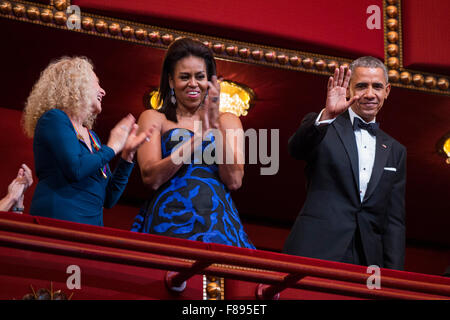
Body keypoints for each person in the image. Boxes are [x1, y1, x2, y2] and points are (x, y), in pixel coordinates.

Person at [283, 56, 406, 270]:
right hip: (316, 249)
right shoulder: (324, 125)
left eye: (377, 86)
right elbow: (296, 149)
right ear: (348, 89)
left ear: (387, 91)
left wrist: (394, 278)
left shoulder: (396, 150)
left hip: (368, 261)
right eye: (361, 86)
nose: (370, 94)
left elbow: (394, 221)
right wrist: (328, 115)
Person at [131, 38, 254, 249]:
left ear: (210, 81)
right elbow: (151, 177)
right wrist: (197, 139)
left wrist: (214, 127)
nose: (193, 84)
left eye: (200, 76)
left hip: (218, 227)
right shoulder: (153, 118)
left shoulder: (228, 120)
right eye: (184, 77)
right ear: (170, 81)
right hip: (167, 223)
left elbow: (234, 180)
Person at [22, 56, 153, 226]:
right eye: (97, 83)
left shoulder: (93, 138)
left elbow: (109, 198)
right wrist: (112, 147)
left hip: (90, 230)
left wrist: (127, 156)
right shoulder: (54, 119)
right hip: (57, 223)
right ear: (77, 84)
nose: (103, 91)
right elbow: (76, 169)